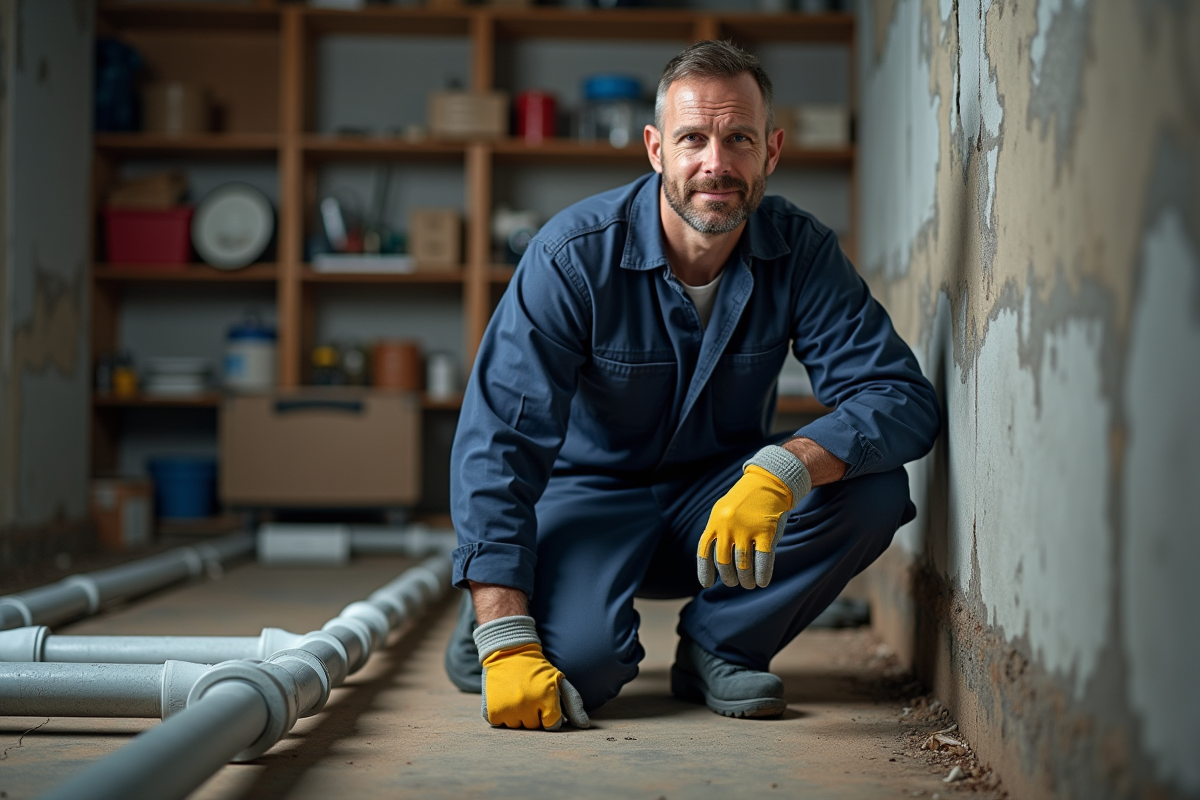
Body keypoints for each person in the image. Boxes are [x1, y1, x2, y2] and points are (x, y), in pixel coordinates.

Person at [445, 40, 940, 731]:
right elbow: (497, 443)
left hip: (719, 499)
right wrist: (504, 637)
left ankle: (720, 643)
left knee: (874, 489)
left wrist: (782, 471)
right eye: (692, 139)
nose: (717, 163)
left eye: (739, 138)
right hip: (587, 499)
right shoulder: (570, 259)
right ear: (655, 149)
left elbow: (901, 398)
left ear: (771, 151)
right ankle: (498, 617)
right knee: (580, 672)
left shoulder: (800, 252)